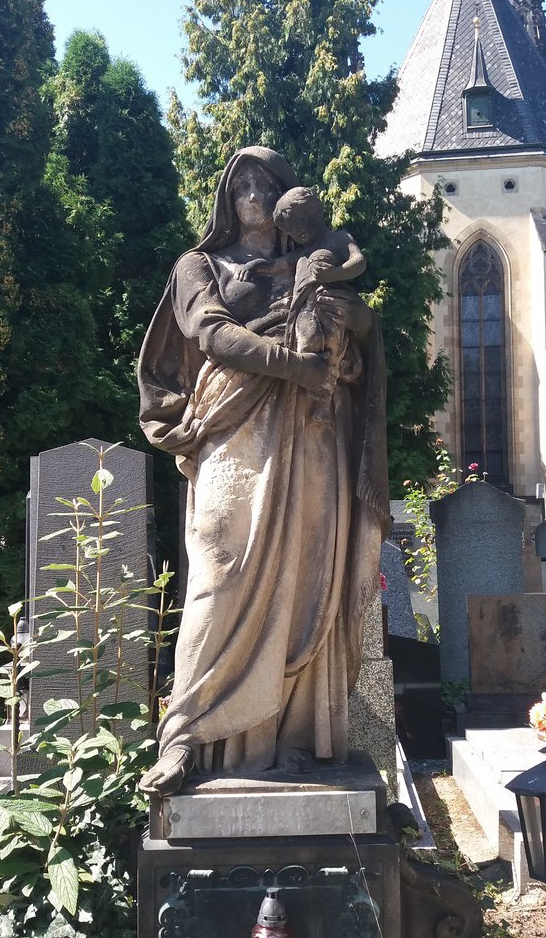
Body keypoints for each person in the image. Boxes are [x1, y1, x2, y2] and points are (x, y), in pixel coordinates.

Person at [136, 146, 390, 796]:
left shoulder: (315, 266)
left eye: (263, 180)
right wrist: (291, 364)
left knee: (306, 579)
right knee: (217, 570)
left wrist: (349, 333)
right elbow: (212, 333)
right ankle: (186, 739)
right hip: (233, 424)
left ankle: (290, 739)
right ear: (225, 196)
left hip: (311, 432)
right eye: (238, 181)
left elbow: (353, 337)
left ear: (282, 195)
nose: (250, 189)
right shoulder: (200, 265)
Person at [235, 186, 367, 421]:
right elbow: (281, 264)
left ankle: (324, 400)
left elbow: (358, 262)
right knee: (307, 342)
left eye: (294, 230)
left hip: (330, 306)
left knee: (333, 349)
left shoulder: (339, 239)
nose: (294, 237)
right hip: (305, 309)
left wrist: (335, 274)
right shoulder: (304, 252)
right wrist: (258, 266)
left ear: (308, 219)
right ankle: (306, 392)